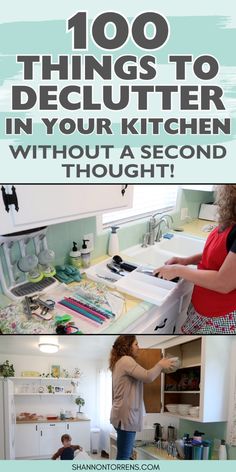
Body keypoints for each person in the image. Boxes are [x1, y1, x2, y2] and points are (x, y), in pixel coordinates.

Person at [153, 184, 236, 334]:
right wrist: (185, 261)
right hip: (202, 308)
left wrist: (178, 269)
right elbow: (217, 255)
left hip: (221, 317)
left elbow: (224, 283)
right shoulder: (230, 219)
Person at [109, 335, 175, 460]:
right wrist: (160, 364)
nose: (138, 348)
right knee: (123, 457)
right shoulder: (126, 360)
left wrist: (159, 368)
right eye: (136, 344)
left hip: (121, 416)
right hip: (126, 417)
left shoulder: (119, 363)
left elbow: (144, 376)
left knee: (124, 456)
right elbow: (147, 376)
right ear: (127, 346)